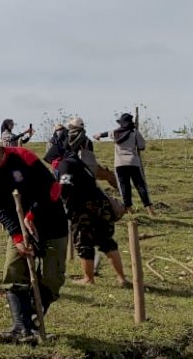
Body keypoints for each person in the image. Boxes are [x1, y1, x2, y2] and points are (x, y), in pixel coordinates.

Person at [0, 124, 67, 344]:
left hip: (51, 220)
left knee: (52, 278)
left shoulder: (22, 157)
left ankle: (33, 322)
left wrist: (31, 215)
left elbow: (52, 189)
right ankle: (21, 328)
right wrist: (18, 236)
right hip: (19, 226)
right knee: (13, 271)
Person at [44, 139, 128, 287]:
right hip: (100, 205)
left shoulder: (65, 164)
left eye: (52, 162)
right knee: (107, 241)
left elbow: (65, 188)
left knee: (84, 244)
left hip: (82, 209)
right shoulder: (78, 163)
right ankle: (122, 278)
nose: (52, 165)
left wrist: (63, 206)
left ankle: (88, 279)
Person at [94, 113, 155, 216]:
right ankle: (149, 209)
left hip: (120, 164)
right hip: (133, 163)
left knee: (124, 187)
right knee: (140, 186)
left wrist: (98, 135)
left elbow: (104, 134)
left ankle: (129, 209)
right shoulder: (135, 133)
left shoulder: (115, 133)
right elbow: (142, 146)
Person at [66, 117, 118, 191]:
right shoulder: (86, 140)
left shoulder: (66, 138)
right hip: (86, 166)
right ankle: (120, 190)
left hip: (69, 165)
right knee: (109, 175)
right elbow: (90, 155)